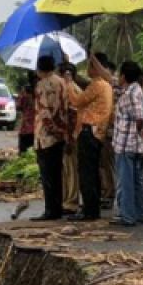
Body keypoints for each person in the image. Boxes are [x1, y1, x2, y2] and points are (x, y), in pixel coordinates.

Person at [67, 53, 115, 222]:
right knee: (93, 172)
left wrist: (68, 84)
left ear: (96, 67)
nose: (87, 69)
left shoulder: (97, 85)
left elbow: (77, 101)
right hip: (98, 132)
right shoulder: (107, 85)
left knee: (87, 172)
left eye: (89, 66)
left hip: (89, 131)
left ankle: (89, 210)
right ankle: (92, 208)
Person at [110, 61, 143, 227]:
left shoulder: (131, 94)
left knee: (126, 181)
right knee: (136, 181)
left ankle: (127, 215)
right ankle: (139, 213)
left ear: (124, 76)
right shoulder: (132, 89)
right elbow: (110, 80)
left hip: (127, 143)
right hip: (133, 144)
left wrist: (137, 130)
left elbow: (139, 117)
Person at [31, 54, 69, 221]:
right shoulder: (62, 82)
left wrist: (51, 129)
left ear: (40, 69)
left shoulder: (42, 85)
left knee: (47, 175)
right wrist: (62, 131)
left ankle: (51, 210)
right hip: (60, 133)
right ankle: (57, 208)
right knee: (57, 174)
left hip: (46, 136)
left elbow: (45, 112)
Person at [60, 62, 81, 215]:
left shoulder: (70, 89)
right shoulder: (73, 88)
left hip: (72, 135)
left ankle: (71, 201)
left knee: (71, 170)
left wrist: (69, 138)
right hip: (73, 134)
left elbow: (72, 115)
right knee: (68, 169)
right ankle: (68, 199)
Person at [15, 74, 36, 155]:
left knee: (23, 152)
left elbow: (18, 107)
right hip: (36, 128)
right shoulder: (39, 93)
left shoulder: (24, 95)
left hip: (26, 129)